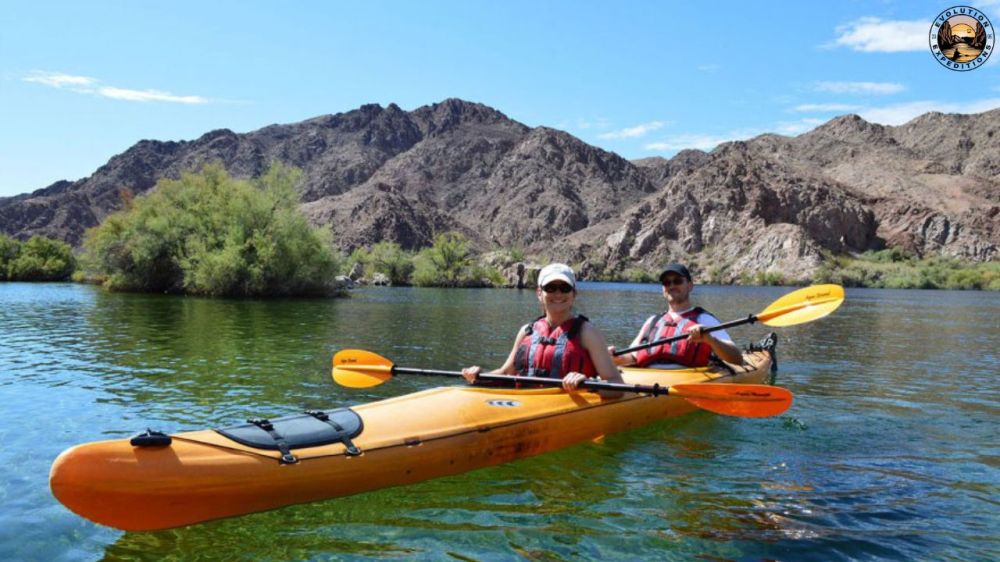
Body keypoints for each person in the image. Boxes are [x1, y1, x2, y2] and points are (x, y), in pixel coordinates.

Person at [461, 263, 624, 393]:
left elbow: (616, 384)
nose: (558, 294)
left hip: (566, 405)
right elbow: (505, 373)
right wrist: (478, 376)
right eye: (550, 288)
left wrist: (588, 384)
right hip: (526, 401)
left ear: (574, 294)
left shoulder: (587, 332)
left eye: (565, 288)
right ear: (539, 293)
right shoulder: (527, 331)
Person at [612, 263, 743, 368]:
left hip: (685, 381)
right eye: (666, 283)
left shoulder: (704, 320)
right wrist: (615, 358)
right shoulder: (652, 321)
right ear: (663, 289)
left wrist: (710, 340)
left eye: (677, 281)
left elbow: (737, 358)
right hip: (648, 381)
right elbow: (633, 357)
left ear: (690, 286)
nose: (672, 285)